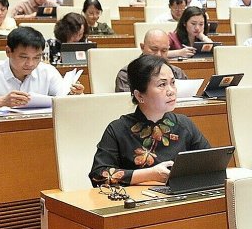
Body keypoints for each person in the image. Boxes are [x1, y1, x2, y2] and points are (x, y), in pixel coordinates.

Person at [90, 54, 211, 186]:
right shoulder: (118, 129)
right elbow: (98, 175)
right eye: (162, 85)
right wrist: (150, 174)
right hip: (138, 202)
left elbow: (211, 162)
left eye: (173, 83)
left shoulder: (184, 124)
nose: (171, 91)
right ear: (139, 95)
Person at [0, 27, 84, 109]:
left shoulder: (47, 71)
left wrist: (75, 95)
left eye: (37, 57)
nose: (30, 63)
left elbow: (63, 99)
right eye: (24, 57)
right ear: (8, 51)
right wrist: (2, 102)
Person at [116, 29, 188, 93]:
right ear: (142, 47)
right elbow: (127, 103)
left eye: (164, 50)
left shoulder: (177, 73)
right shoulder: (126, 74)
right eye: (154, 49)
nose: (159, 55)